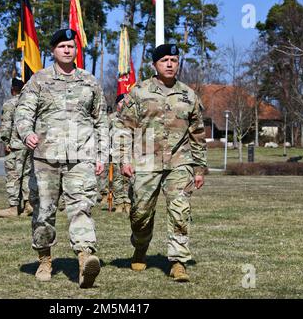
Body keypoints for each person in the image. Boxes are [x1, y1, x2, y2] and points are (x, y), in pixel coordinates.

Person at [15, 29, 108, 288]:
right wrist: (27, 133)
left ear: (76, 50)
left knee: (82, 208)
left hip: (81, 157)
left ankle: (85, 259)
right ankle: (45, 259)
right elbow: (23, 112)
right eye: (62, 46)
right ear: (53, 51)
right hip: (46, 157)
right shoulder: (39, 80)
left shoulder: (90, 82)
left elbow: (101, 121)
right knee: (44, 212)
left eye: (71, 46)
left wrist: (101, 154)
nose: (67, 50)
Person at [113, 44, 207, 282]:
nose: (169, 64)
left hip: (179, 162)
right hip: (145, 162)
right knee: (140, 214)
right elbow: (123, 128)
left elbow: (197, 133)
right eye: (164, 60)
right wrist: (124, 159)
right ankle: (140, 246)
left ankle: (178, 262)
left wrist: (198, 167)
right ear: (154, 64)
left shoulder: (189, 95)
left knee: (179, 211)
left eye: (174, 60)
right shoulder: (139, 92)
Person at [0, 78, 33, 218]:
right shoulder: (30, 103)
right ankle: (28, 204)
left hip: (15, 145)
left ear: (12, 90)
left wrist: (5, 141)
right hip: (29, 144)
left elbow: (6, 124)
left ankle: (13, 207)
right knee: (27, 175)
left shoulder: (10, 104)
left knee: (13, 175)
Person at [110, 94, 131, 214]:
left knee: (129, 178)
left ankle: (128, 202)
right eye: (121, 102)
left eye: (126, 102)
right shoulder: (112, 118)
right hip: (116, 152)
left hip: (130, 152)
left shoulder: (132, 118)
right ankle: (119, 202)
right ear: (117, 104)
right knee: (117, 178)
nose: (124, 104)